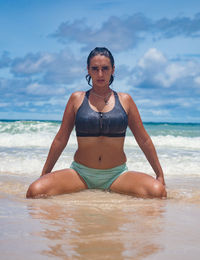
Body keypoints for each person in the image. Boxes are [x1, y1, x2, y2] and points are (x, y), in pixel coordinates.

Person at [26, 47, 167, 199]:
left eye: (105, 68)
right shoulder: (77, 99)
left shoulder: (125, 100)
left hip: (117, 175)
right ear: (88, 70)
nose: (100, 74)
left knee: (158, 192)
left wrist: (159, 174)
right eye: (95, 69)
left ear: (113, 69)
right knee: (35, 191)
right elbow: (61, 139)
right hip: (80, 174)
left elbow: (143, 139)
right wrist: (45, 173)